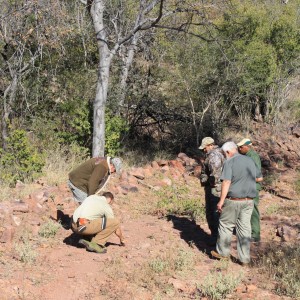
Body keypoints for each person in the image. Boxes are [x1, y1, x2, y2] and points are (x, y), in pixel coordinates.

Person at [211, 141, 263, 265]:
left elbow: (226, 182)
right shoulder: (250, 160)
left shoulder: (229, 162)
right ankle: (244, 259)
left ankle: (223, 253)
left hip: (233, 200)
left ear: (228, 152)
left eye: (225, 153)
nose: (225, 156)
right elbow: (259, 178)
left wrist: (221, 201)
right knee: (244, 228)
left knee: (225, 225)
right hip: (249, 201)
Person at [199, 137, 225, 245]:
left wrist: (207, 181)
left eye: (204, 148)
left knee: (214, 214)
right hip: (215, 188)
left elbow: (215, 176)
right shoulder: (217, 153)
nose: (203, 150)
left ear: (210, 145)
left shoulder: (214, 155)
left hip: (215, 189)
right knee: (214, 214)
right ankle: (216, 238)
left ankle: (216, 240)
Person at [237, 138, 262, 242]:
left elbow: (256, 173)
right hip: (248, 186)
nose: (239, 149)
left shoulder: (252, 156)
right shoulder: (246, 156)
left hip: (252, 187)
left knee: (253, 210)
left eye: (241, 147)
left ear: (247, 146)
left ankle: (255, 235)